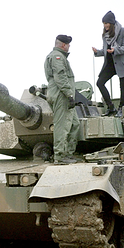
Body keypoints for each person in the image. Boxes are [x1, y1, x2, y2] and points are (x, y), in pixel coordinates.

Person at [44, 34, 80, 165]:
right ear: (63, 45)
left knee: (75, 124)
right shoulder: (57, 57)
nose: (69, 47)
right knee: (62, 126)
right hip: (62, 95)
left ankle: (68, 153)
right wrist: (69, 94)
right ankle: (59, 156)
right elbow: (60, 77)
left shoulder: (59, 57)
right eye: (68, 44)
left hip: (64, 95)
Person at [92, 11, 124, 116]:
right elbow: (105, 50)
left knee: (123, 86)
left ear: (112, 23)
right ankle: (111, 107)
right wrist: (97, 52)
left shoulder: (123, 31)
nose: (105, 25)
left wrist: (115, 50)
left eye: (107, 23)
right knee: (100, 83)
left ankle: (121, 108)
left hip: (122, 63)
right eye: (104, 23)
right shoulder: (105, 35)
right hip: (110, 64)